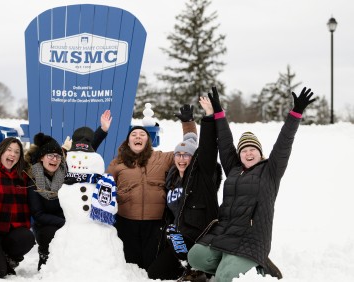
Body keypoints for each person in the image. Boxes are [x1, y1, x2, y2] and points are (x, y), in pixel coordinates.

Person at [188, 87, 316, 282]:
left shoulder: (270, 171)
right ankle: (231, 264)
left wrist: (295, 114)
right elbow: (224, 141)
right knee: (195, 257)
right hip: (225, 232)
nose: (248, 153)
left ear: (260, 152)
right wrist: (218, 112)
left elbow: (284, 142)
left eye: (252, 149)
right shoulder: (234, 168)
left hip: (251, 238)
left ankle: (257, 266)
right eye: (244, 150)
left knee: (224, 276)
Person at [106, 105, 197, 270]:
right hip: (126, 223)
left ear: (148, 141)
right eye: (134, 134)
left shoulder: (162, 158)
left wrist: (188, 123)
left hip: (155, 224)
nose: (138, 136)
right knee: (130, 268)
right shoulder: (117, 163)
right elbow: (105, 188)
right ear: (128, 141)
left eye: (142, 134)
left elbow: (189, 148)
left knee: (150, 268)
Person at [27, 110, 112, 271]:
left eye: (57, 156)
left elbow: (85, 151)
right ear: (41, 158)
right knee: (49, 234)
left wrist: (103, 130)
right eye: (50, 156)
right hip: (47, 224)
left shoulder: (66, 171)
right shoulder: (33, 180)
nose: (54, 159)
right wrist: (67, 223)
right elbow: (38, 215)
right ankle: (46, 260)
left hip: (68, 218)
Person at [147, 98, 222, 281]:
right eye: (178, 155)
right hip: (177, 238)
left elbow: (204, 149)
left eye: (186, 156)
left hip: (200, 237)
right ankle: (186, 269)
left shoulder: (202, 176)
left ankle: (197, 269)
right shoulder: (172, 177)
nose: (181, 159)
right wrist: (187, 124)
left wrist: (209, 117)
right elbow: (189, 142)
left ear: (194, 159)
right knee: (155, 273)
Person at [0, 137, 35, 278]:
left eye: (17, 152)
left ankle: (9, 258)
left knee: (27, 237)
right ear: (1, 151)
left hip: (12, 232)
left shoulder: (22, 175)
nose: (13, 154)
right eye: (9, 150)